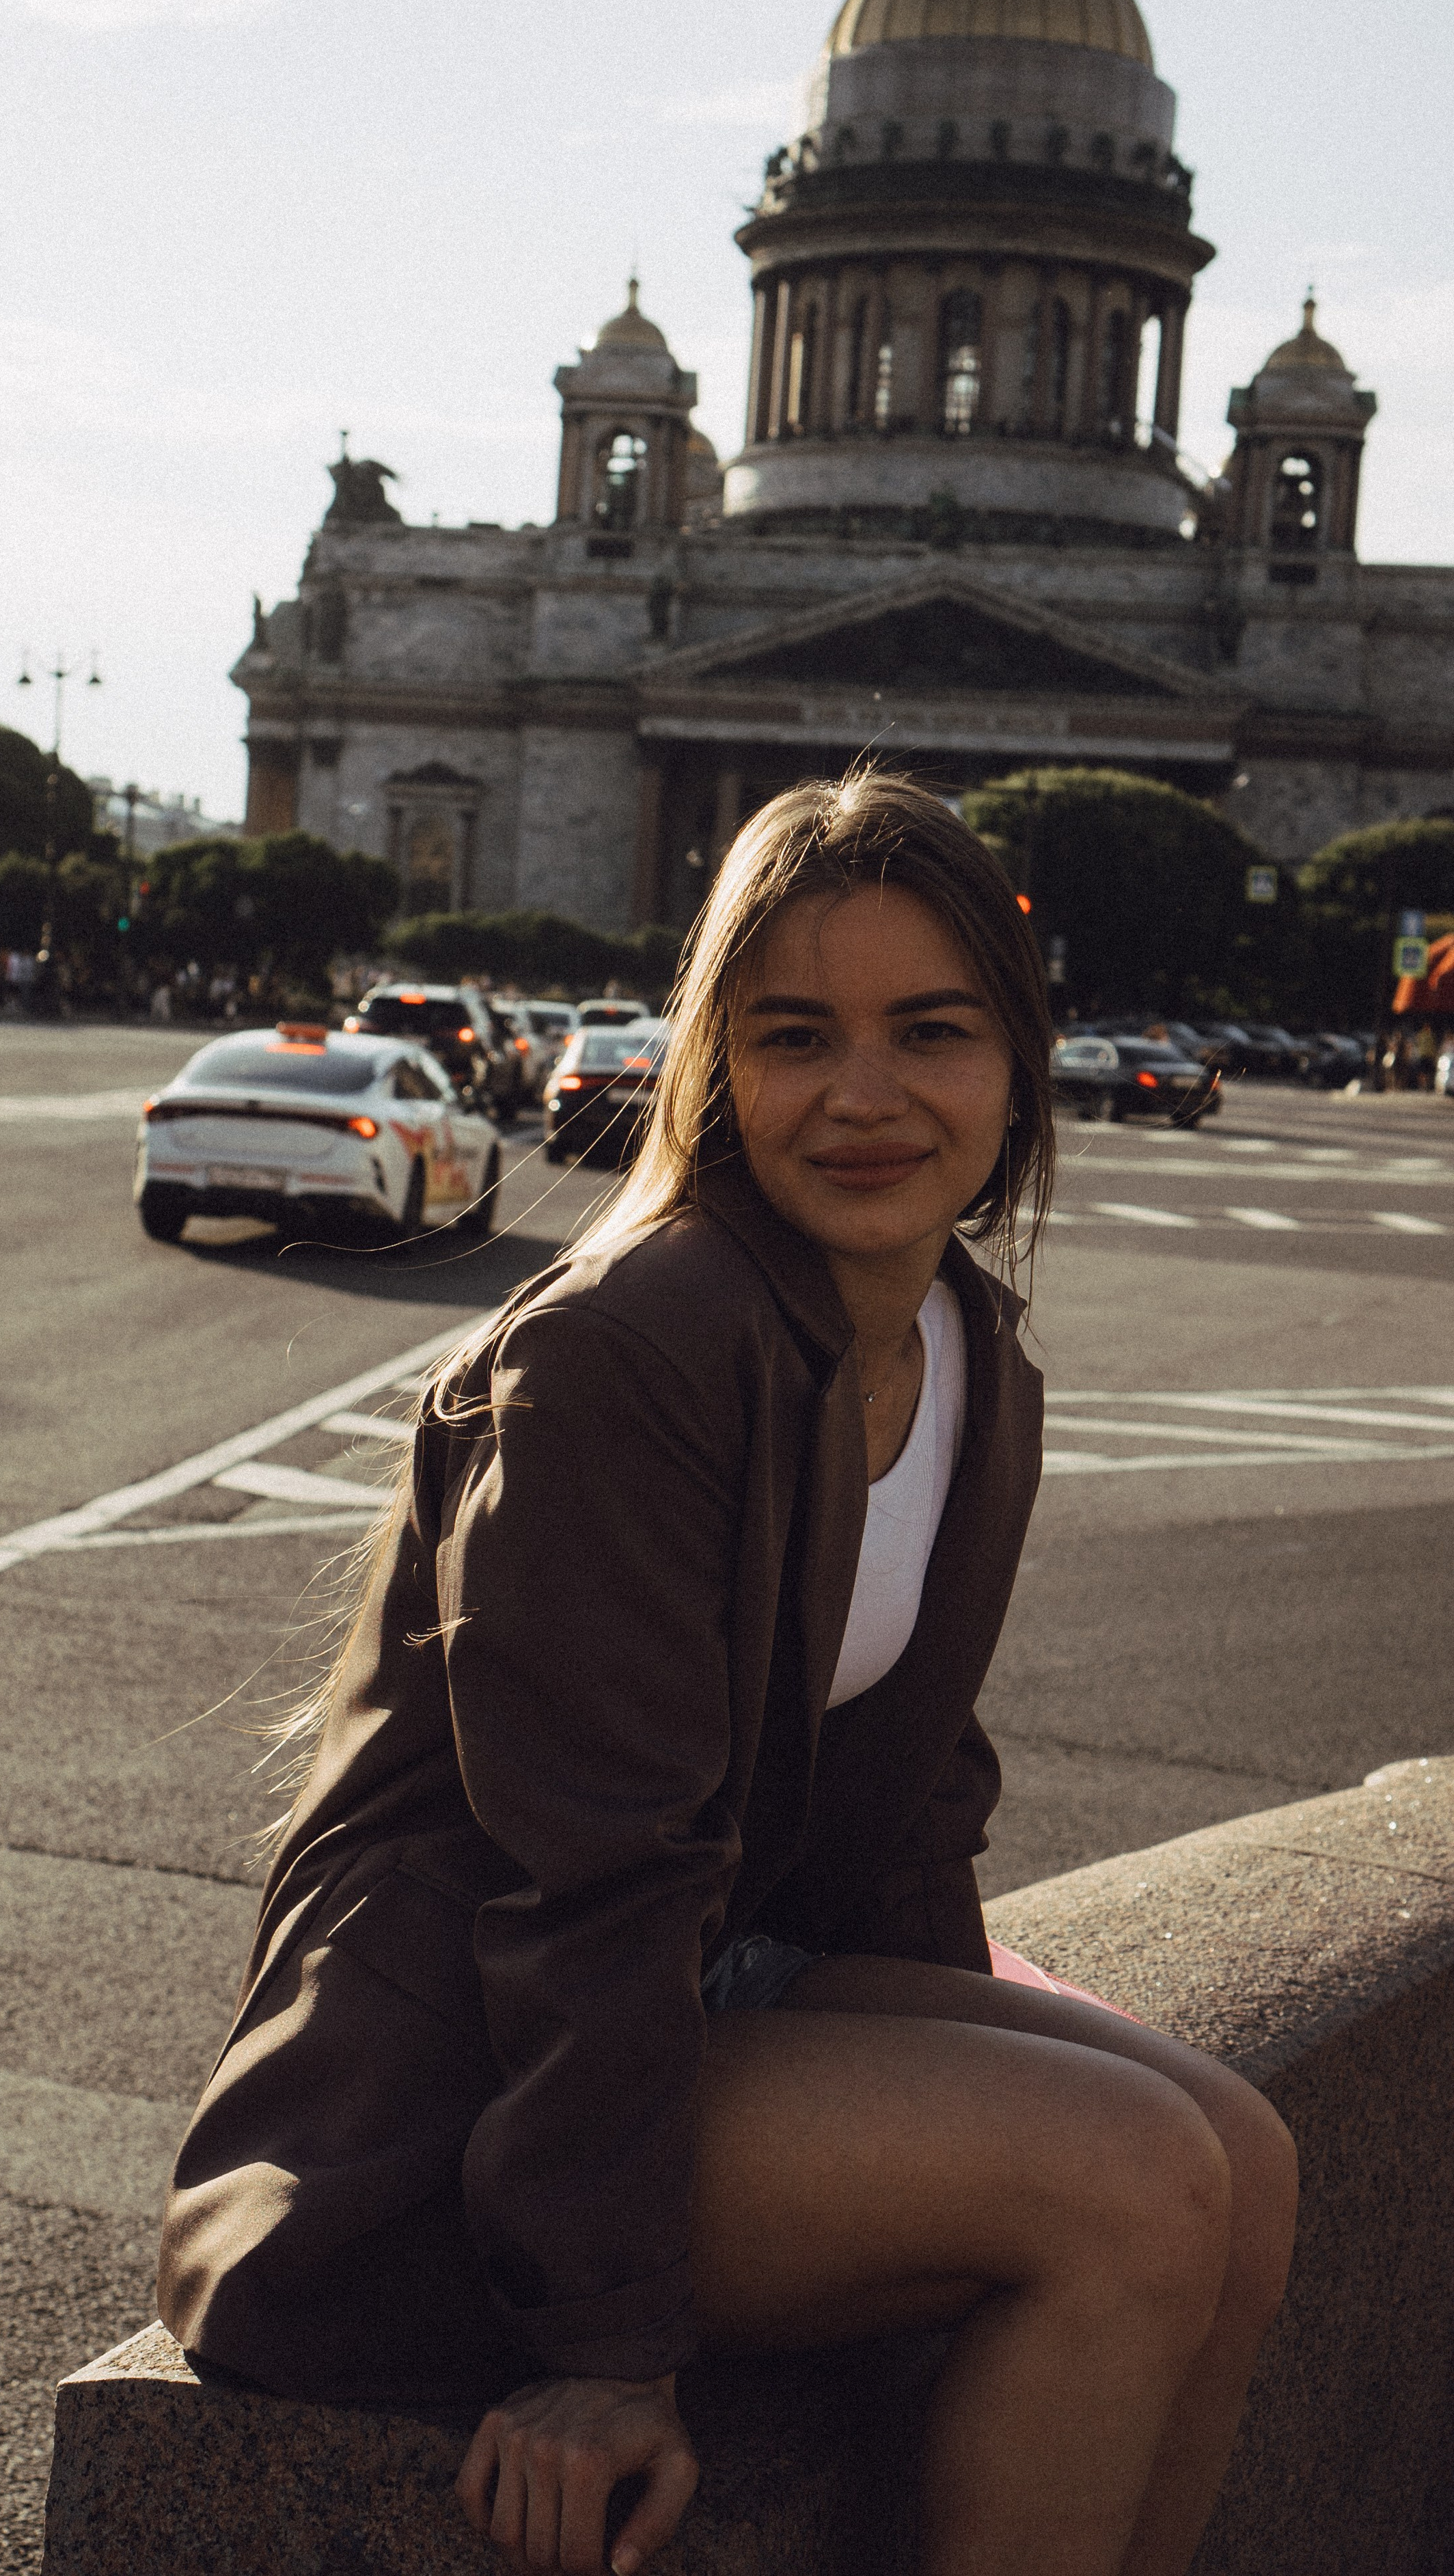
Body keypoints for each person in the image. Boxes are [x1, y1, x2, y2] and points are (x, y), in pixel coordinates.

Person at [158, 774, 1297, 2576]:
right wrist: (606, 2354)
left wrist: (944, 2110)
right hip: (446, 2106)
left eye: (931, 1032)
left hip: (697, 2002)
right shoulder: (624, 1352)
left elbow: (910, 1808)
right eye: (794, 1036)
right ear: (715, 1069)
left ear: (1014, 1065)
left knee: (1241, 2155)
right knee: (1132, 2186)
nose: (865, 1094)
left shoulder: (963, 1347)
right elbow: (586, 1874)